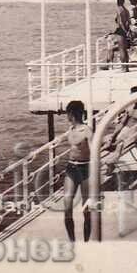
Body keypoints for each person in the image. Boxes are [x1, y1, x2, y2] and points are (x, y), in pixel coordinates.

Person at [61, 100, 93, 242]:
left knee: (86, 210)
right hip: (71, 168)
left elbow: (94, 151)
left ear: (72, 114)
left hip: (85, 169)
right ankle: (72, 242)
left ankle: (86, 243)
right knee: (67, 207)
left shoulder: (87, 130)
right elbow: (66, 141)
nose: (66, 116)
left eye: (67, 113)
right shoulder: (71, 130)